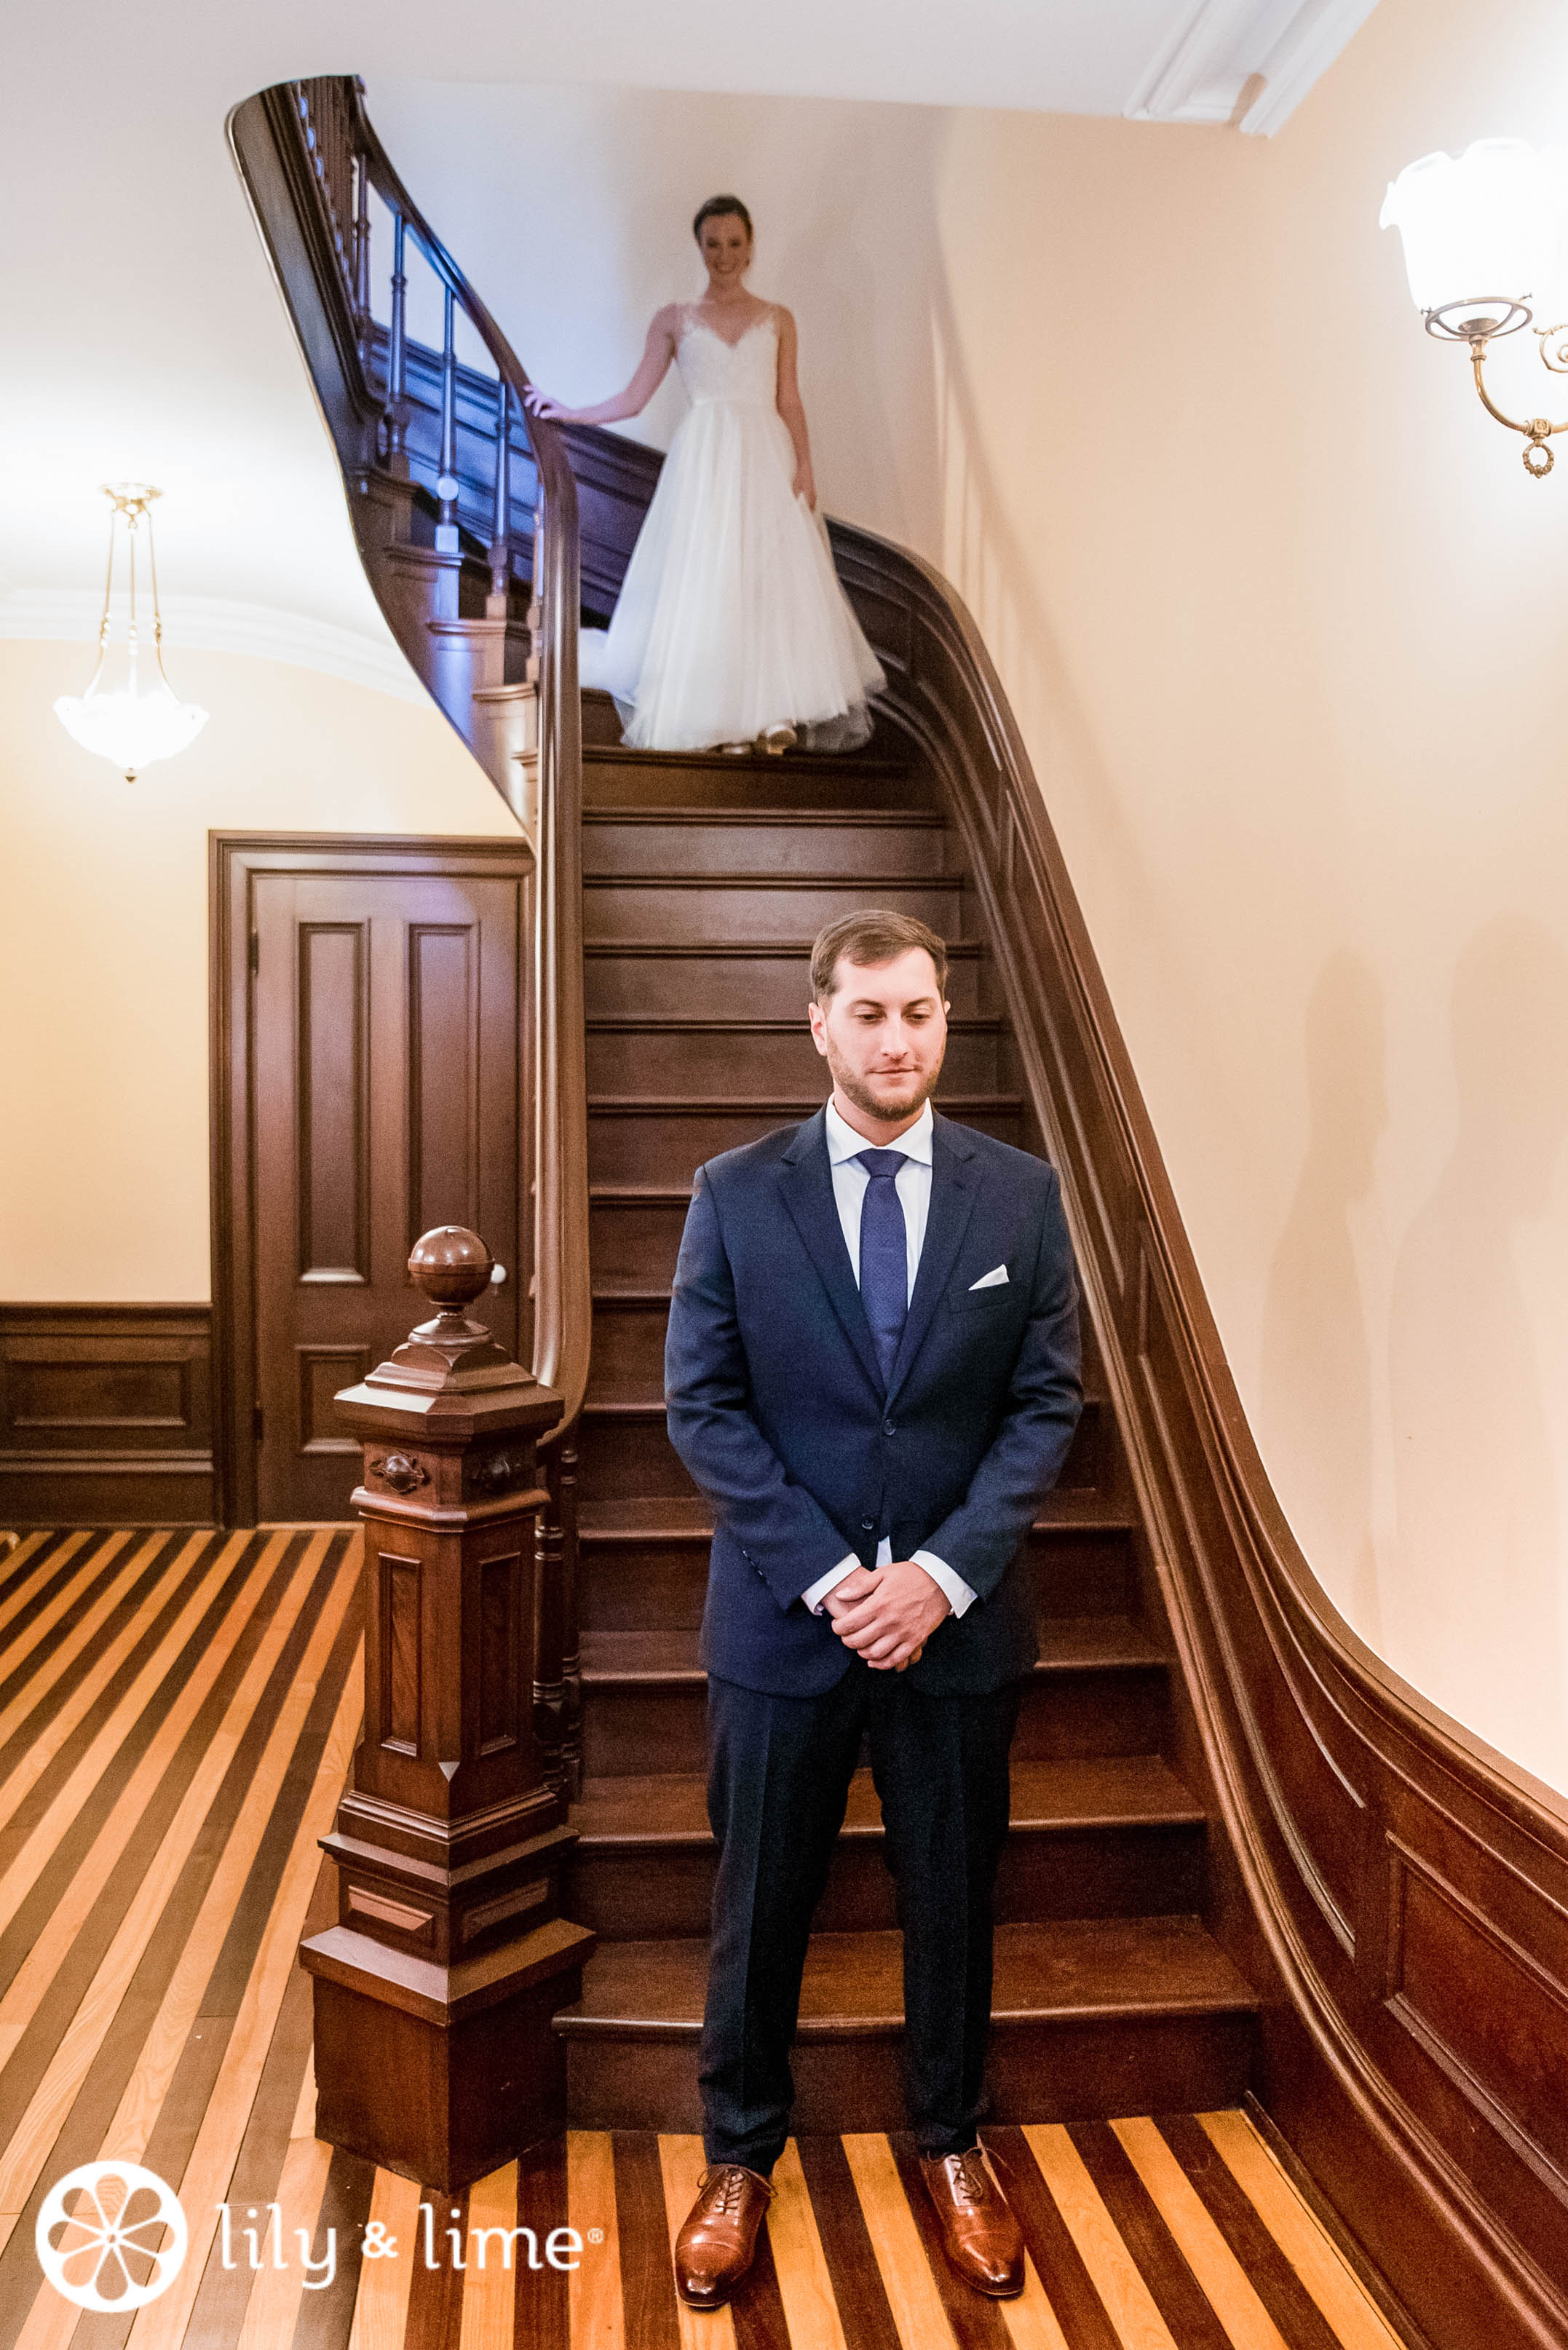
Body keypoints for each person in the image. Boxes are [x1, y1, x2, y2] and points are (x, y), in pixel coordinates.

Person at [663, 909, 1083, 2310]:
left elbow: (1042, 1407)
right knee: (759, 1900)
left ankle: (950, 2142)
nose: (894, 1039)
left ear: (942, 1019)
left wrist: (937, 1576)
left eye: (916, 1012)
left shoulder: (1019, 1195)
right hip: (785, 1623)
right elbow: (701, 1406)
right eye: (867, 1012)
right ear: (819, 1022)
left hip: (956, 1627)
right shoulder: (735, 1191)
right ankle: (737, 2156)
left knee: (950, 1899)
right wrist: (835, 1576)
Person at [523, 194, 884, 755]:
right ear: (699, 246)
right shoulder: (673, 320)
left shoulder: (780, 318)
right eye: (713, 244)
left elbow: (789, 399)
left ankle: (774, 714)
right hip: (704, 462)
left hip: (767, 457)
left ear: (751, 246)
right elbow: (634, 397)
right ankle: (718, 716)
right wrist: (569, 412)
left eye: (735, 243)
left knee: (766, 580)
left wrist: (806, 464)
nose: (724, 255)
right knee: (709, 580)